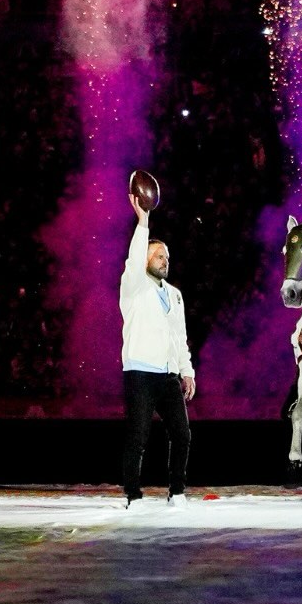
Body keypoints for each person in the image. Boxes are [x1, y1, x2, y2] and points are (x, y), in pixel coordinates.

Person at [120, 193, 196, 507]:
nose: (164, 261)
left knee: (182, 434)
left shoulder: (175, 295)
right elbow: (135, 257)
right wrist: (143, 222)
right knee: (138, 437)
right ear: (146, 261)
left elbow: (180, 337)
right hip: (139, 372)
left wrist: (187, 371)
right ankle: (133, 494)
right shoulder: (134, 286)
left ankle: (176, 491)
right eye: (158, 256)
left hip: (167, 374)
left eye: (166, 257)